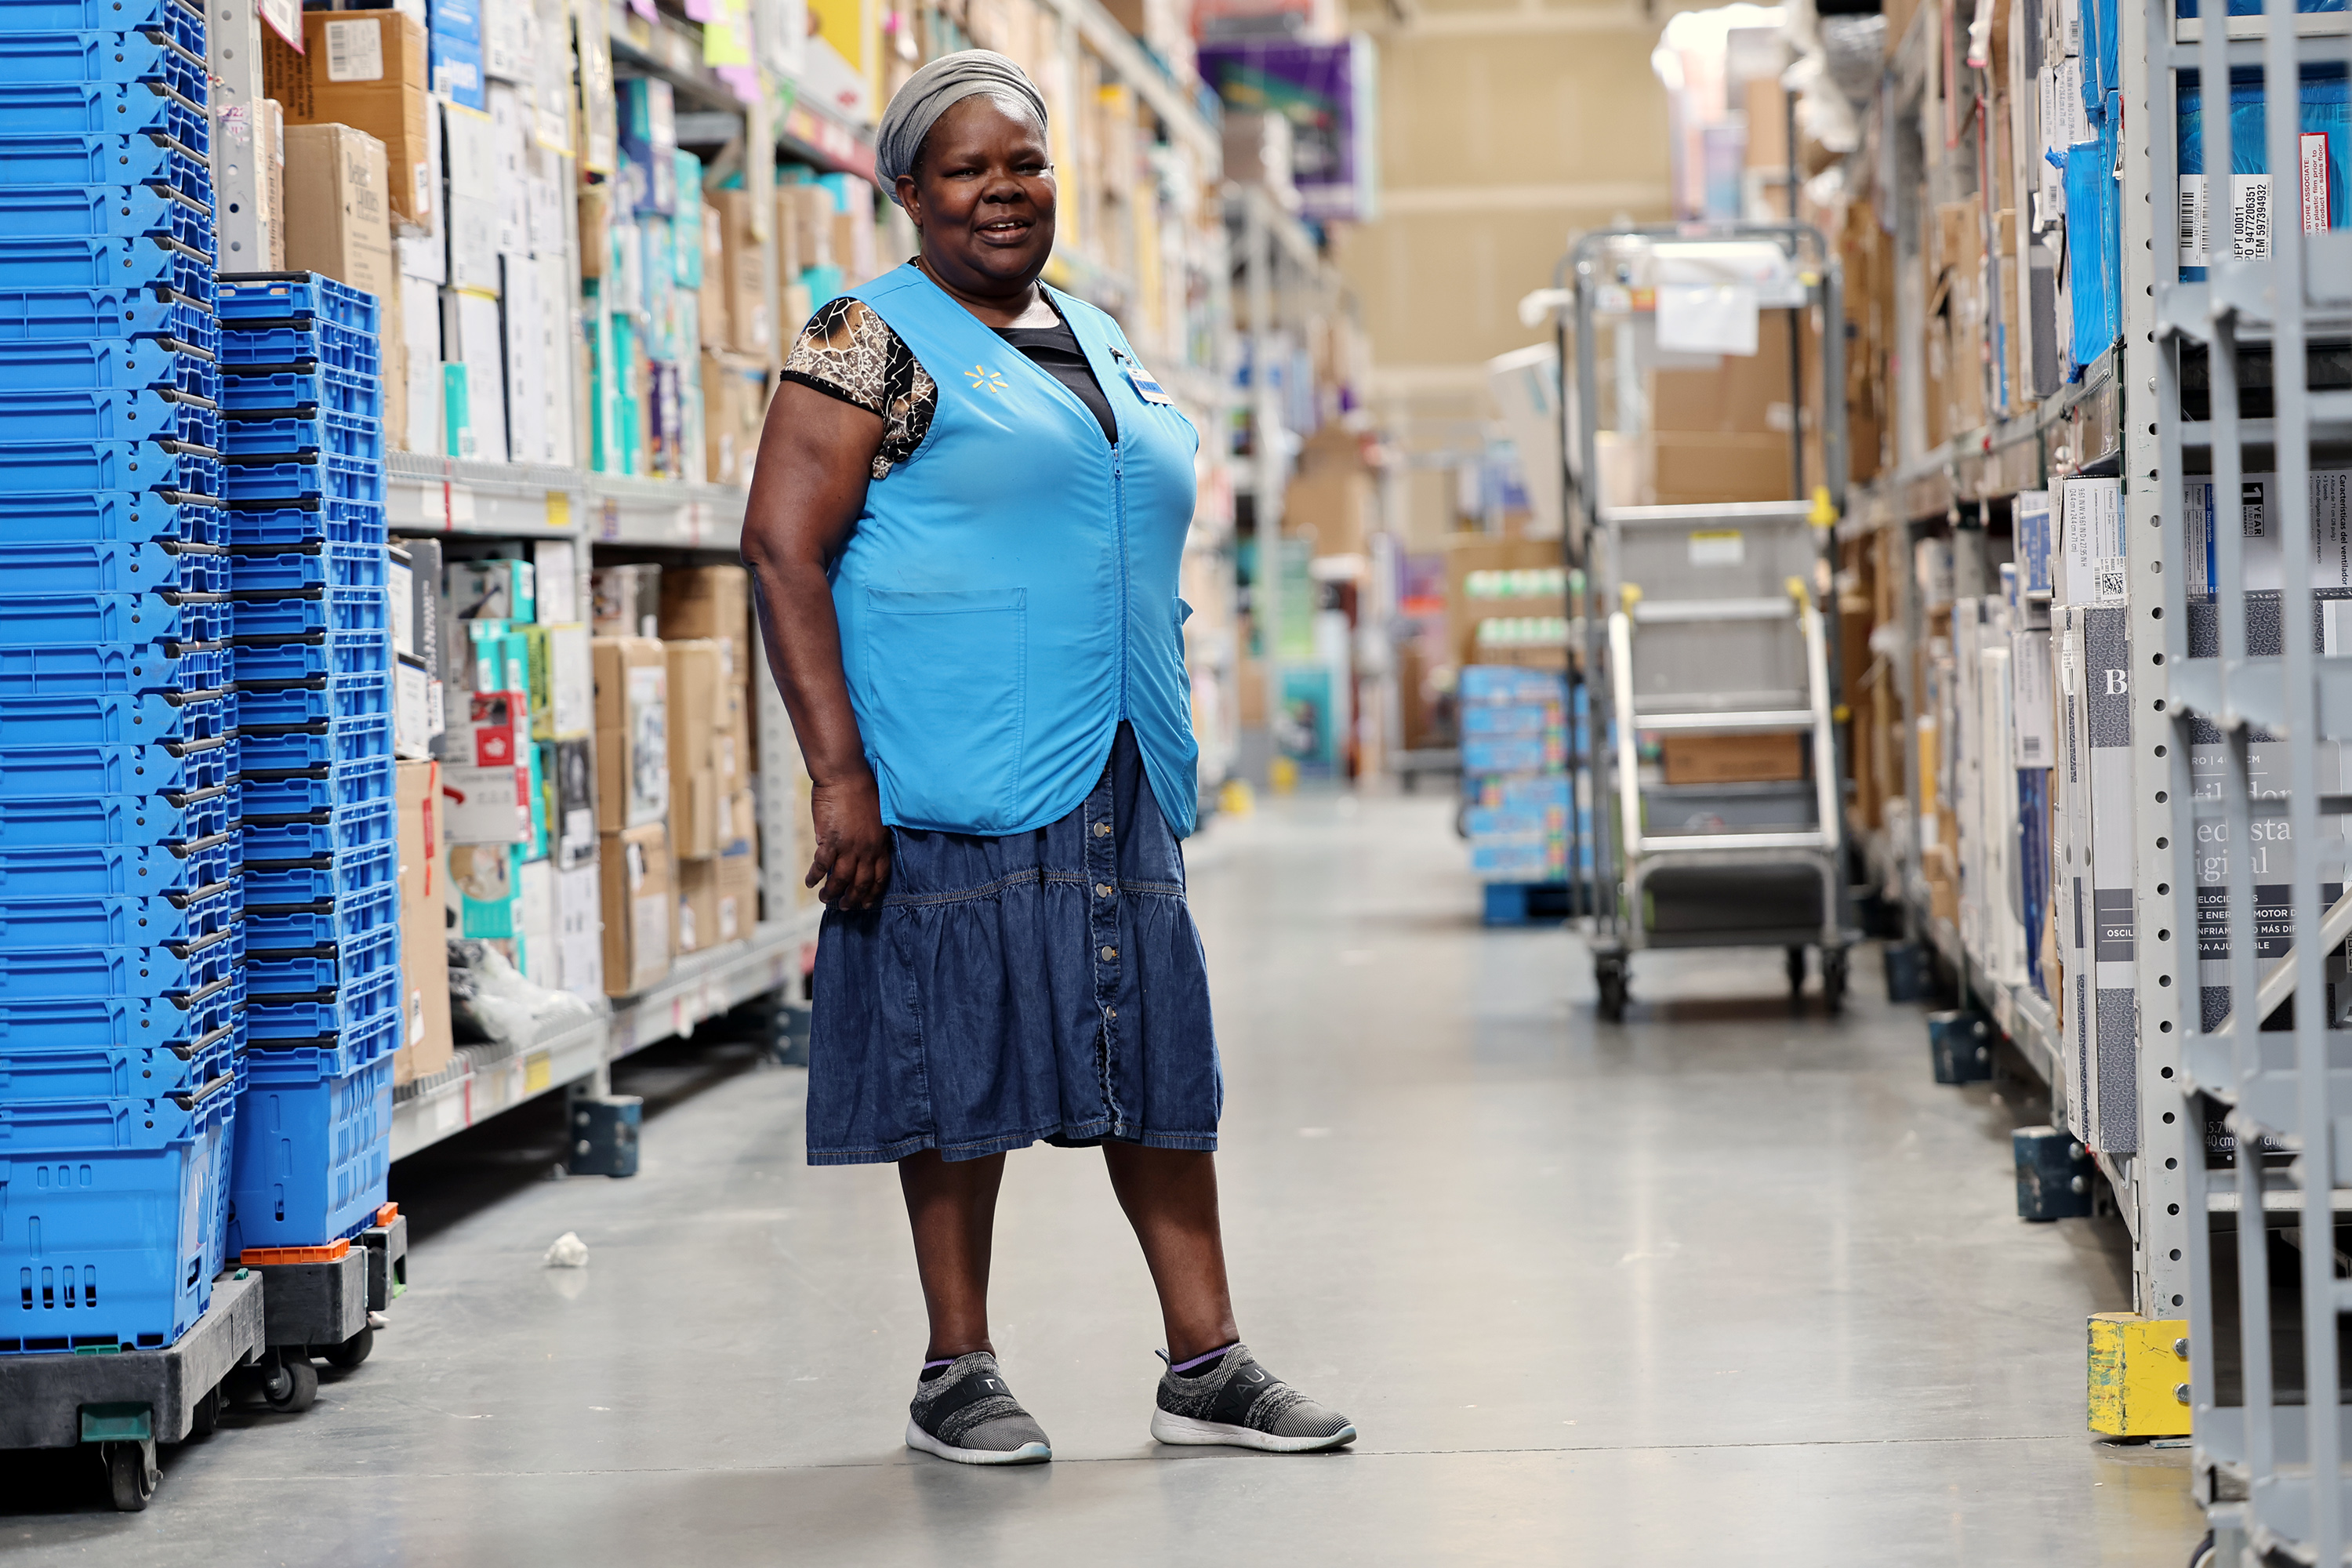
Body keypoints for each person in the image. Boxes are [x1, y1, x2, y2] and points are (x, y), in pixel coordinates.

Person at [739, 50, 1356, 1467]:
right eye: (968, 169)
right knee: (955, 1055)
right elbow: (784, 550)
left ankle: (1206, 1362)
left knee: (1156, 1053)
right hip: (952, 758)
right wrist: (840, 778)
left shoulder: (1098, 330)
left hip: (1119, 749)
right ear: (907, 192)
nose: (1005, 192)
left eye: (1027, 163)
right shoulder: (862, 337)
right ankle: (957, 1368)